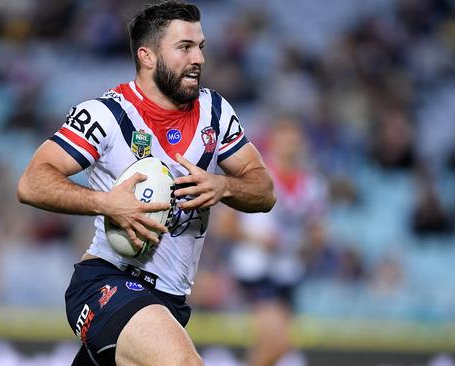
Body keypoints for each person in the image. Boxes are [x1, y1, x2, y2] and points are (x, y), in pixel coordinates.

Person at [17, 1, 276, 365]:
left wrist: (224, 186)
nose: (199, 57)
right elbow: (32, 182)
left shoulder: (215, 112)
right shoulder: (106, 115)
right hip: (107, 283)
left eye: (201, 46)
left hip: (170, 300)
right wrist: (107, 203)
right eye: (185, 47)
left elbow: (264, 190)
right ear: (148, 56)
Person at [221, 118, 327, 366]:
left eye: (295, 140)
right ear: (274, 142)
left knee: (272, 346)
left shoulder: (312, 184)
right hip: (256, 267)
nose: (290, 146)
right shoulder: (255, 177)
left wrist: (309, 244)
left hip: (288, 271)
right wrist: (258, 240)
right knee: (277, 342)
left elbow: (316, 229)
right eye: (285, 139)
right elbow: (226, 225)